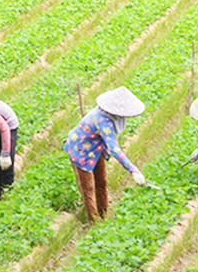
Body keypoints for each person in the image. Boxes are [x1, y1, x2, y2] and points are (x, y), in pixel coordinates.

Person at [63, 86, 149, 222]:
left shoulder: (111, 117)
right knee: (88, 188)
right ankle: (94, 221)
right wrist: (133, 170)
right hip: (80, 151)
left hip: (95, 150)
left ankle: (103, 214)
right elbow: (114, 148)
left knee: (102, 181)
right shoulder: (103, 120)